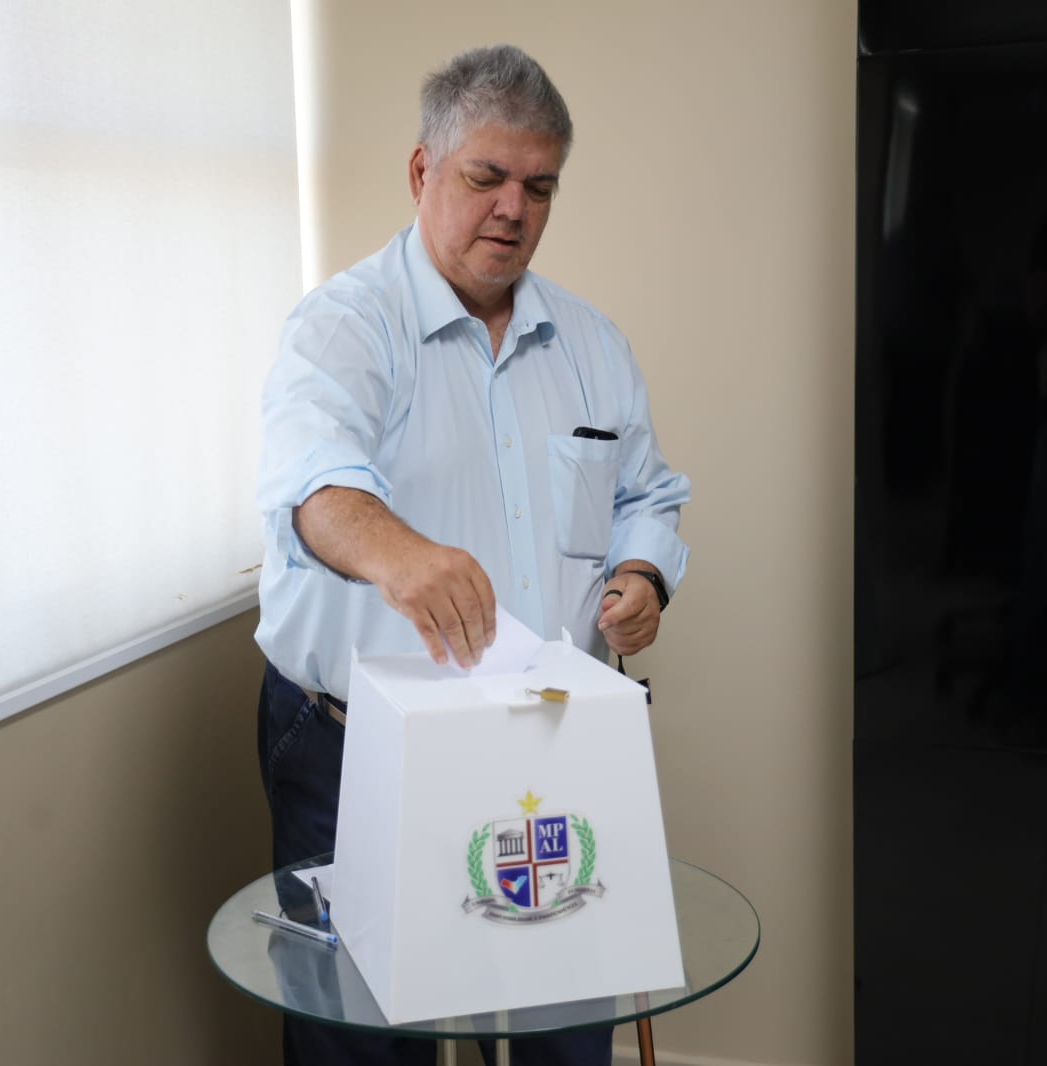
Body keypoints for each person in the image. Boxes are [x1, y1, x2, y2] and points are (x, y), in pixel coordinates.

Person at [254, 43, 691, 1066]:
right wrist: (400, 556)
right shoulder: (343, 328)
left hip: (544, 740)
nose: (512, 209)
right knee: (367, 1030)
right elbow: (313, 489)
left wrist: (642, 573)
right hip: (351, 743)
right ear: (422, 171)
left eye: (539, 187)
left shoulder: (592, 342)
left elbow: (647, 494)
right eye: (485, 177)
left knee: (562, 1024)